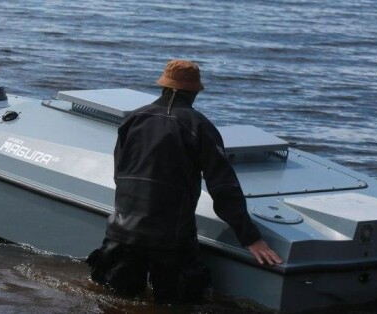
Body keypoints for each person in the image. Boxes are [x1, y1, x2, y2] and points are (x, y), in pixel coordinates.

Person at [87, 59, 282, 303]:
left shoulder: (132, 120)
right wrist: (251, 238)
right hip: (171, 240)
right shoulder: (200, 126)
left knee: (115, 303)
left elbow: (120, 174)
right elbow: (223, 188)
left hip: (122, 233)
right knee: (175, 305)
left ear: (164, 86)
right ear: (194, 92)